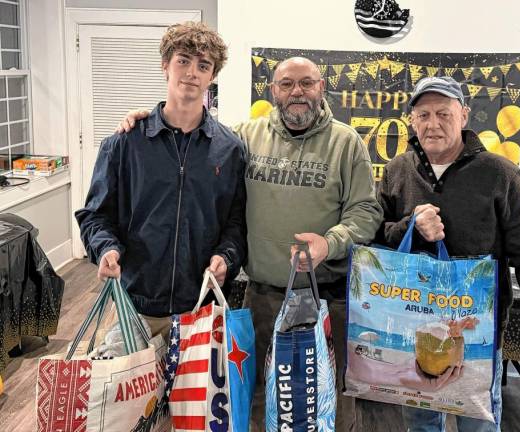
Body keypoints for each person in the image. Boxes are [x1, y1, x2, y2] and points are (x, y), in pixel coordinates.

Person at [118, 56, 382, 431]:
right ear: (273, 91)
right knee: (257, 394)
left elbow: (366, 213)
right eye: (287, 84)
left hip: (328, 300)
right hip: (263, 297)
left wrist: (328, 243)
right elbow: (193, 134)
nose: (297, 92)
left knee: (327, 399)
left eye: (307, 83)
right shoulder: (244, 136)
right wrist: (146, 120)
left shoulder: (346, 142)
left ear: (322, 87)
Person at [363, 75, 520, 431]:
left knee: (477, 425)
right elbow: (376, 238)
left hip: (477, 336)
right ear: (412, 120)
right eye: (423, 114)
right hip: (415, 329)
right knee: (421, 423)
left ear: (464, 115)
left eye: (443, 113)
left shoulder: (500, 174)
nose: (433, 124)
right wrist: (409, 226)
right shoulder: (398, 170)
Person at [76, 22, 247, 342]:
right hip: (135, 308)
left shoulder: (230, 149)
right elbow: (95, 214)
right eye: (183, 60)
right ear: (165, 65)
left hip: (200, 311)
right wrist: (106, 249)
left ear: (213, 75)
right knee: (137, 394)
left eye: (203, 65)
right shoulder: (124, 143)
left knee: (195, 396)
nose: (192, 72)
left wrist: (226, 256)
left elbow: (235, 224)